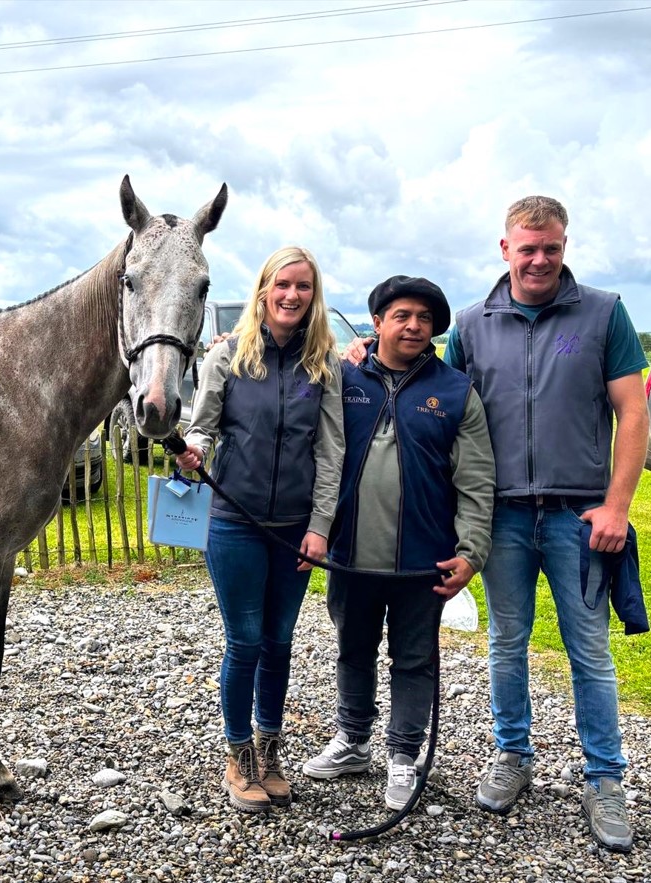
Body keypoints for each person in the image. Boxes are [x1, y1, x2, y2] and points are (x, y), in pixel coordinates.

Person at [344, 197, 649, 851]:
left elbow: (632, 411)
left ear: (563, 246)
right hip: (504, 515)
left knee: (589, 653)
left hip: (578, 516)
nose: (539, 258)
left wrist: (618, 505)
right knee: (507, 642)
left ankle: (603, 778)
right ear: (504, 248)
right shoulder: (473, 326)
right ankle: (512, 754)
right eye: (526, 247)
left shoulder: (604, 313)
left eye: (551, 247)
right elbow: (439, 396)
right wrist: (367, 353)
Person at [302, 276, 495, 811]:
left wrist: (471, 550)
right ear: (378, 322)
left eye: (425, 319)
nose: (414, 326)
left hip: (423, 559)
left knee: (414, 661)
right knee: (353, 651)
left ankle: (404, 757)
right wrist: (225, 348)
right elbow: (278, 379)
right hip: (350, 556)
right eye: (402, 316)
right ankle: (353, 741)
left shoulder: (456, 391)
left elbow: (477, 481)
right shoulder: (341, 379)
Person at [175, 245, 344, 814]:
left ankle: (271, 751)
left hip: (295, 531)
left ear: (312, 296)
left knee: (279, 642)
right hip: (236, 524)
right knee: (245, 641)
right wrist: (192, 452)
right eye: (283, 285)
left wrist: (320, 527)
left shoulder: (323, 365)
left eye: (303, 286)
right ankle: (239, 755)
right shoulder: (227, 358)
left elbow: (331, 452)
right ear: (264, 290)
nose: (292, 295)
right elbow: (202, 430)